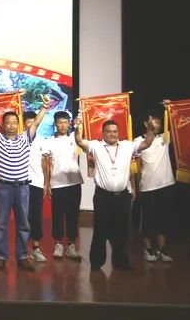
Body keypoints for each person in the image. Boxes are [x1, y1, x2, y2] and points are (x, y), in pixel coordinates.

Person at [0, 91, 49, 271]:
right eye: (8, 122)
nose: (11, 125)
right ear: (3, 125)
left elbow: (36, 122)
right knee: (2, 224)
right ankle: (1, 257)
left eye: (14, 122)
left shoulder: (25, 138)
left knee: (23, 224)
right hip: (4, 188)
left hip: (23, 188)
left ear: (19, 125)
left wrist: (44, 107)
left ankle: (22, 256)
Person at [74, 116, 150, 272]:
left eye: (115, 131)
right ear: (103, 133)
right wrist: (77, 128)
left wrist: (151, 130)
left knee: (122, 230)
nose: (112, 134)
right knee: (100, 229)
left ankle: (121, 261)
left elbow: (146, 143)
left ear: (118, 132)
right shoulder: (96, 146)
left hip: (122, 196)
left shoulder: (127, 146)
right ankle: (96, 262)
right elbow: (79, 141)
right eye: (108, 131)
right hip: (103, 196)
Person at [133, 109, 176, 263]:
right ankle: (148, 249)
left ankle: (161, 250)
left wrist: (169, 108)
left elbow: (178, 125)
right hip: (148, 186)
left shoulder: (165, 137)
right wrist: (135, 186)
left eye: (159, 122)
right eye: (153, 122)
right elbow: (136, 166)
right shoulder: (137, 141)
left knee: (163, 218)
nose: (157, 124)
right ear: (146, 124)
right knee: (148, 220)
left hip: (166, 184)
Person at [44, 111, 83, 261]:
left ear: (69, 123)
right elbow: (46, 163)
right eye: (60, 122)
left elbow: (79, 132)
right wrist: (47, 183)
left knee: (73, 214)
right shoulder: (49, 141)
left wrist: (79, 123)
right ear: (55, 124)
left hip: (74, 182)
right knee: (57, 215)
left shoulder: (74, 137)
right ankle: (58, 244)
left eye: (66, 122)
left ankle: (71, 245)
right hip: (57, 184)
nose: (63, 125)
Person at [22, 110, 50, 263]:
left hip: (37, 183)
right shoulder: (19, 139)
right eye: (28, 121)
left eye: (34, 121)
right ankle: (22, 250)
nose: (31, 124)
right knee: (23, 217)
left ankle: (36, 248)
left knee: (36, 216)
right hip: (21, 184)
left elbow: (45, 163)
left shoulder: (42, 141)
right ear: (24, 123)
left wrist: (46, 183)